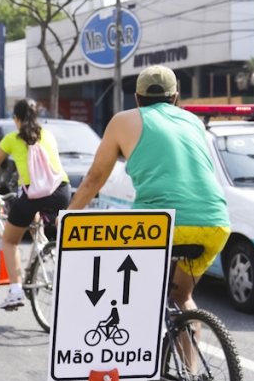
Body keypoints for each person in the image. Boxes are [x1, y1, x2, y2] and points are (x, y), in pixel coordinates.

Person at [67, 65, 230, 319]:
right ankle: (190, 361)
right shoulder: (194, 122)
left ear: (137, 98)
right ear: (175, 97)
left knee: (131, 297)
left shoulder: (123, 120)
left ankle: (137, 353)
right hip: (214, 221)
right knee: (182, 297)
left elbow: (95, 177)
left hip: (158, 224)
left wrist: (68, 216)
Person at [0, 98, 71, 310]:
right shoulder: (49, 136)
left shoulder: (12, 138)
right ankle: (42, 251)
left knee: (10, 241)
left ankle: (16, 292)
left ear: (16, 119)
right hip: (61, 192)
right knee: (34, 218)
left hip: (33, 195)